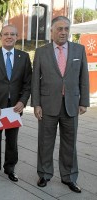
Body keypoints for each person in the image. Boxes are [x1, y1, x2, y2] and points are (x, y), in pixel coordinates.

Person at [31, 16, 90, 193]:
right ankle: (44, 174)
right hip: (47, 105)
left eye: (66, 29)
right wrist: (36, 104)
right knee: (45, 142)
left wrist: (84, 101)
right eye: (59, 29)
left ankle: (69, 177)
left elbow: (84, 78)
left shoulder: (79, 50)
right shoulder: (41, 52)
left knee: (69, 144)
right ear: (52, 31)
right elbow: (36, 81)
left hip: (71, 105)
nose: (63, 32)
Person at [0, 25, 32, 183]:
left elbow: (27, 83)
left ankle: (10, 169)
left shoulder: (23, 57)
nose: (9, 36)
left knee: (12, 141)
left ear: (17, 37)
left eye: (12, 34)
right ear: (0, 37)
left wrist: (22, 102)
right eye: (6, 34)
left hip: (14, 109)